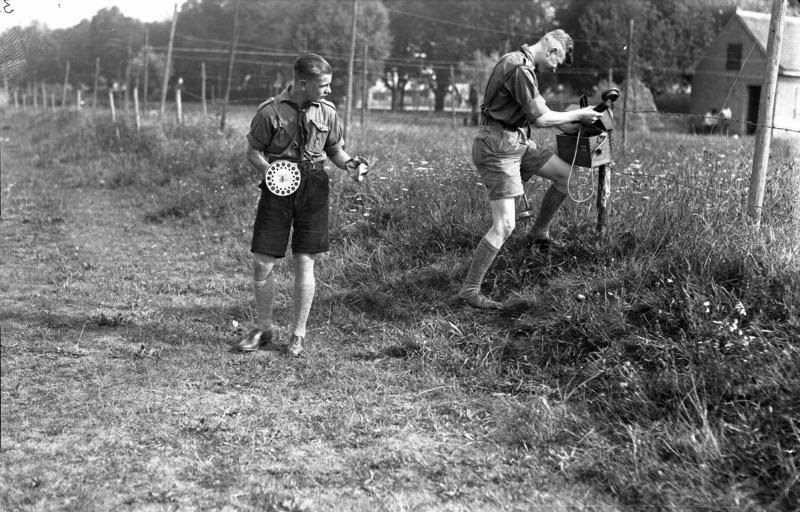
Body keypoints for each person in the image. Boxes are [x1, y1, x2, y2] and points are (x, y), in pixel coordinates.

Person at [458, 29, 602, 309]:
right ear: (552, 50)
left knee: (566, 176)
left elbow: (542, 117)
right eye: (558, 61)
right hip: (498, 146)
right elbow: (544, 118)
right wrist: (579, 114)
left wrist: (585, 119)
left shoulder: (525, 68)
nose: (556, 67)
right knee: (504, 225)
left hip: (518, 141)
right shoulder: (519, 68)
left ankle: (538, 232)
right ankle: (470, 291)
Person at [238, 53, 369, 356]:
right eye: (323, 85)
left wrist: (350, 165)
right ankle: (263, 328)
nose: (329, 90)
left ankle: (298, 334)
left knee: (304, 261)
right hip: (278, 186)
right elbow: (253, 151)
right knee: (262, 261)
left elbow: (335, 149)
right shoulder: (269, 112)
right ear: (302, 84)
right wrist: (270, 171)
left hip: (314, 186)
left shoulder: (329, 112)